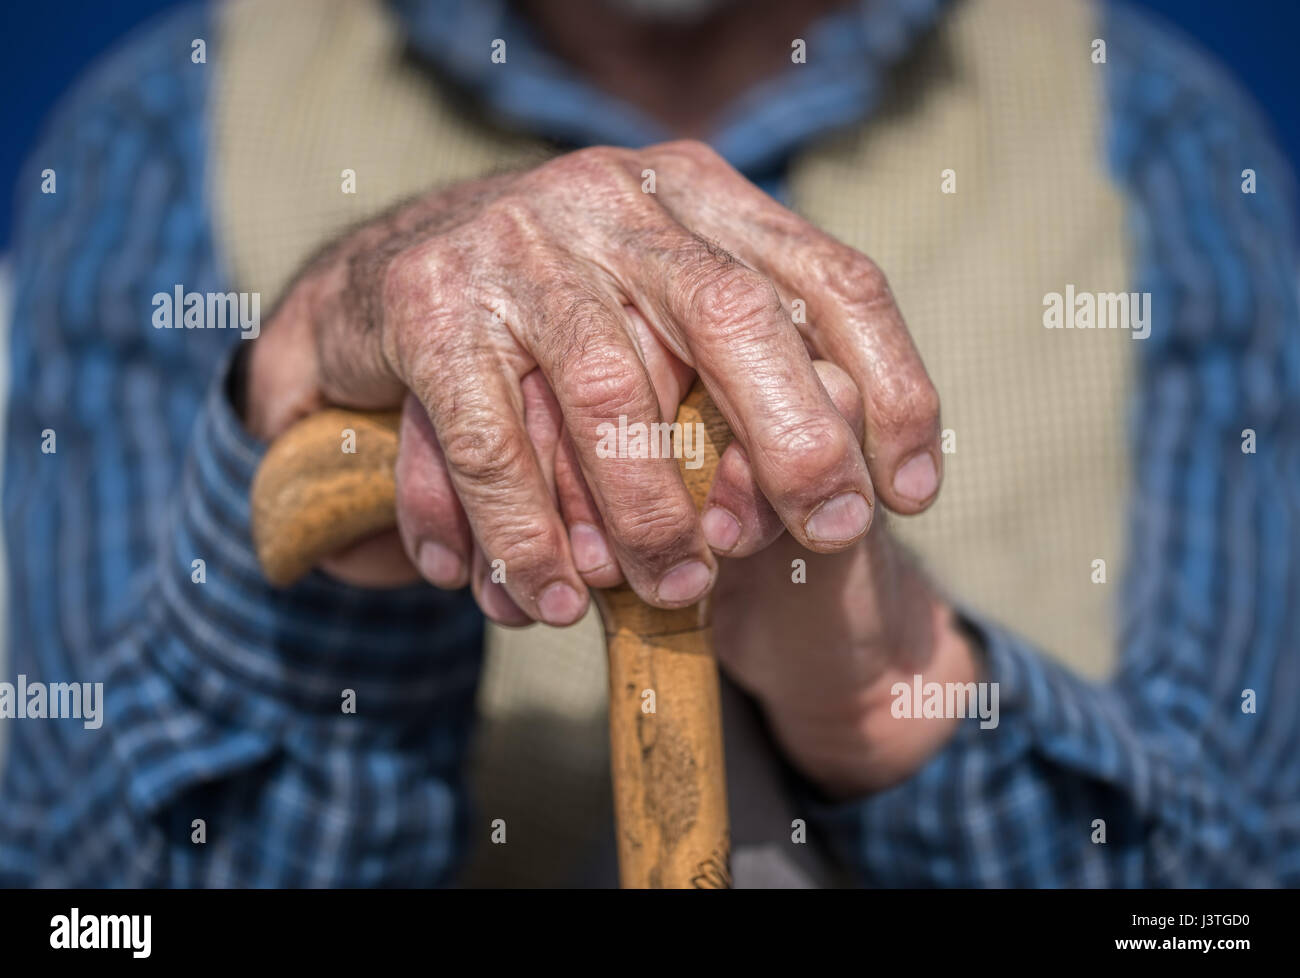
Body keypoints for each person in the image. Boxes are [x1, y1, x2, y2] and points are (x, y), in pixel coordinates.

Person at [1, 0, 1296, 887]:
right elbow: (81, 889)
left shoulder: (1160, 141)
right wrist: (349, 536)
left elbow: (1229, 891)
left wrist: (892, 693)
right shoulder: (168, 130)